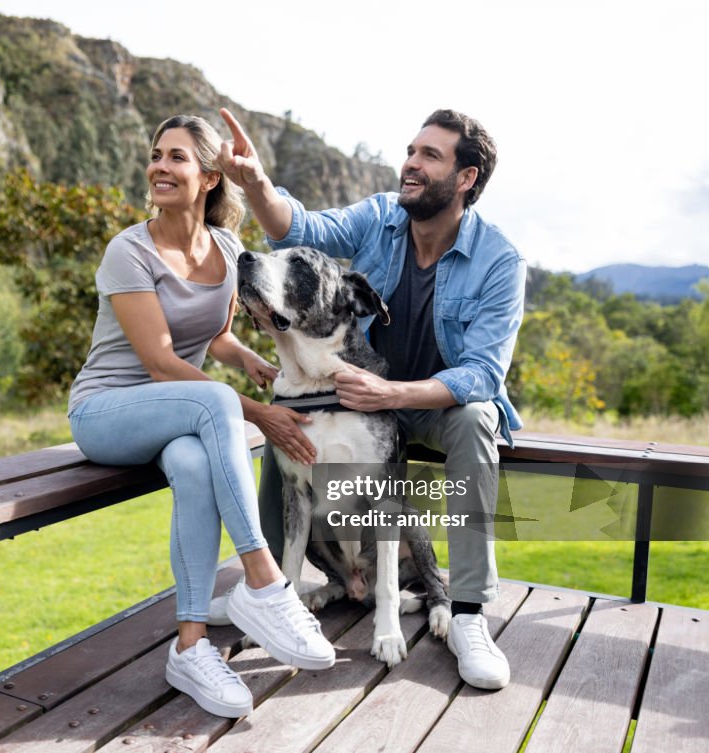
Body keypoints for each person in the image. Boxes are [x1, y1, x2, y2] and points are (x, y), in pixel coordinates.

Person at [211, 107, 527, 691]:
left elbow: (483, 373)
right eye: (411, 151)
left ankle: (468, 612)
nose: (411, 163)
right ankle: (268, 591)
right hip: (358, 393)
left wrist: (392, 393)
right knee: (290, 416)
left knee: (477, 418)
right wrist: (255, 182)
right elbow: (300, 230)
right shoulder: (380, 217)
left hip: (433, 404)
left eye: (430, 155)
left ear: (466, 178)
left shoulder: (500, 261)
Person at [67, 114, 335, 719]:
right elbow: (162, 362)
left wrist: (249, 359)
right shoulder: (129, 252)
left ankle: (189, 647)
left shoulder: (228, 250)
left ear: (210, 177)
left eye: (176, 157)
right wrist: (260, 413)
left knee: (193, 465)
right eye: (156, 154)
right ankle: (264, 581)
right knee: (216, 403)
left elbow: (213, 335)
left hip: (178, 418)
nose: (159, 167)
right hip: (106, 411)